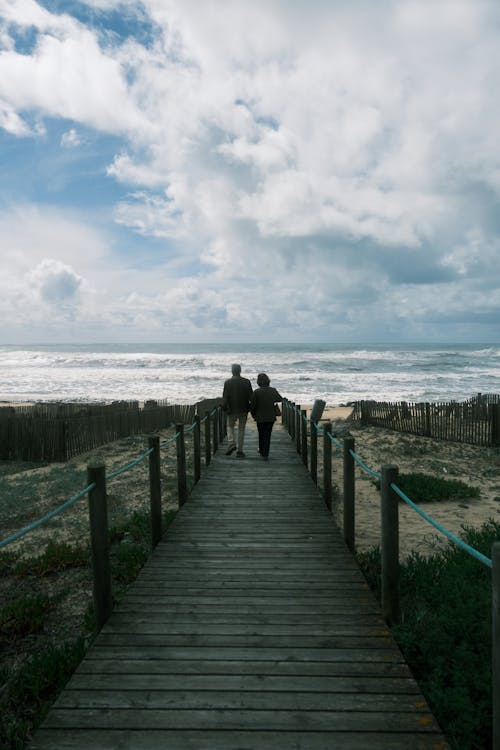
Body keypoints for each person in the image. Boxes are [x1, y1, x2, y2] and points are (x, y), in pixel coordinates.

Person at [222, 363, 253, 458]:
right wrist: (252, 407)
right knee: (241, 429)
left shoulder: (228, 382)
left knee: (230, 427)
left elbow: (225, 397)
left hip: (231, 409)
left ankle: (231, 443)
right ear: (240, 371)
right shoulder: (246, 382)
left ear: (232, 371)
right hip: (243, 408)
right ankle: (240, 451)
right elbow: (251, 396)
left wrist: (224, 406)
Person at [250, 372, 282, 461]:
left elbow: (252, 406)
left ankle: (261, 450)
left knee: (261, 434)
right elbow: (280, 399)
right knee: (268, 435)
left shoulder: (256, 392)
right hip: (270, 416)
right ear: (268, 381)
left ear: (258, 382)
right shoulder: (273, 390)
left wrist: (253, 415)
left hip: (259, 417)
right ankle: (266, 453)